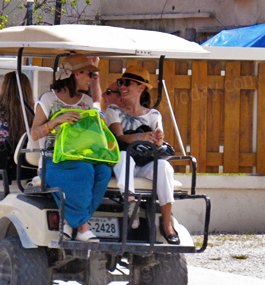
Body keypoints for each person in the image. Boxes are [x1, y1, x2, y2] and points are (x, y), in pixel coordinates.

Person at [31, 54, 111, 242]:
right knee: (85, 170)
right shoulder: (49, 100)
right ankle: (83, 227)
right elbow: (34, 134)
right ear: (76, 74)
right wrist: (56, 121)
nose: (91, 79)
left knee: (104, 172)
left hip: (81, 157)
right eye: (89, 74)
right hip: (54, 159)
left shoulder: (87, 102)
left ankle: (69, 222)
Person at [105, 65, 180, 244]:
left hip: (144, 163)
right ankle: (131, 206)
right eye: (121, 82)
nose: (122, 86)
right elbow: (119, 136)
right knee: (124, 157)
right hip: (124, 162)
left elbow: (159, 137)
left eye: (127, 83)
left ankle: (167, 223)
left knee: (164, 167)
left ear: (141, 88)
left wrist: (158, 138)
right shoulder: (113, 111)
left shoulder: (153, 114)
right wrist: (140, 136)